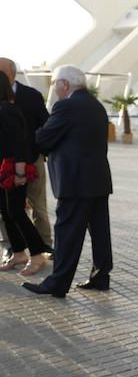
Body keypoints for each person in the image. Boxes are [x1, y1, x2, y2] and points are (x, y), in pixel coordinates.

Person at [22, 65, 113, 299]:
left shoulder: (66, 106)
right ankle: (101, 277)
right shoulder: (96, 105)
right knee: (100, 232)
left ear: (64, 84)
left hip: (75, 183)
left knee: (67, 234)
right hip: (98, 180)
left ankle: (57, 284)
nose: (55, 89)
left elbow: (43, 139)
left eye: (54, 84)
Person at [0, 72, 51, 274]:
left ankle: (37, 255)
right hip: (5, 167)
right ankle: (19, 253)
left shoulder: (7, 110)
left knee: (17, 212)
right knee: (6, 211)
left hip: (14, 168)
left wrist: (20, 173)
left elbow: (19, 142)